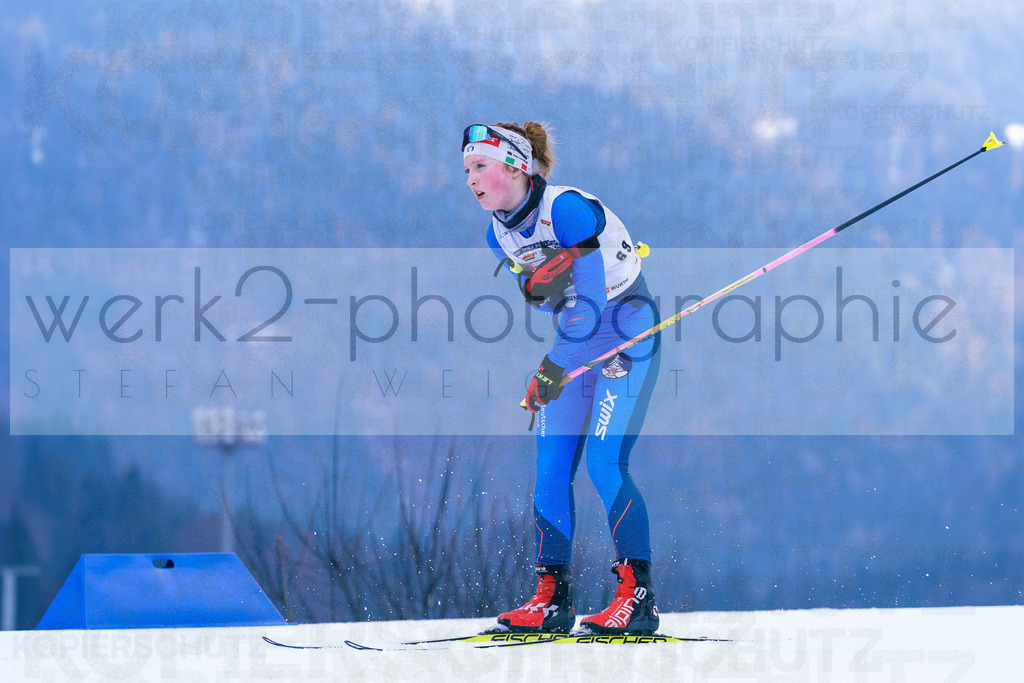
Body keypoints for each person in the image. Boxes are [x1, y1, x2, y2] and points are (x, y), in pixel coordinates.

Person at [461, 122, 662, 635]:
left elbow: (591, 302)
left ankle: (637, 599)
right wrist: (537, 286)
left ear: (516, 166)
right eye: (466, 170)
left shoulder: (567, 209)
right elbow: (555, 301)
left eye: (481, 166)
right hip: (578, 341)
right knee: (551, 466)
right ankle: (553, 599)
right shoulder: (497, 233)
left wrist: (552, 367)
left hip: (626, 327)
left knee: (603, 461)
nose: (471, 179)